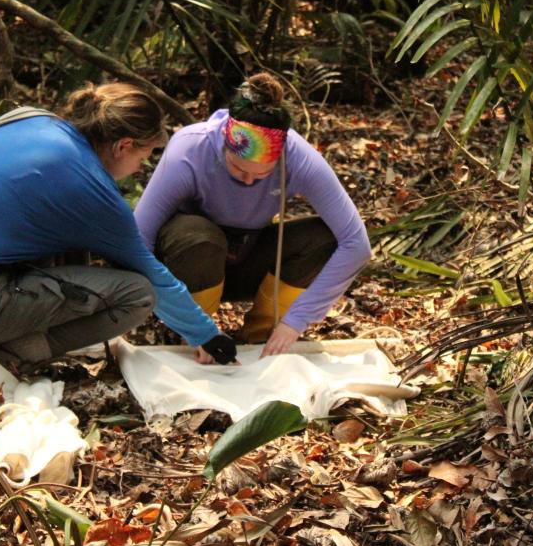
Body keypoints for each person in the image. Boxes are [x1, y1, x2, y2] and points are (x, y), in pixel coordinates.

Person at [0, 82, 239, 393]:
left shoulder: (29, 119)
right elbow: (153, 278)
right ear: (123, 145)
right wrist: (208, 337)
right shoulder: (89, 186)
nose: (142, 168)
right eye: (145, 156)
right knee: (137, 295)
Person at [133, 72, 371, 361]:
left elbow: (356, 244)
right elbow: (136, 240)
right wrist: (193, 326)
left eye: (262, 174)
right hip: (190, 263)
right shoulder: (191, 149)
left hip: (247, 255)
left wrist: (295, 321)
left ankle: (263, 337)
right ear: (224, 140)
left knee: (325, 239)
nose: (248, 181)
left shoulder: (299, 158)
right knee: (200, 237)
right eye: (238, 169)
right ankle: (191, 336)